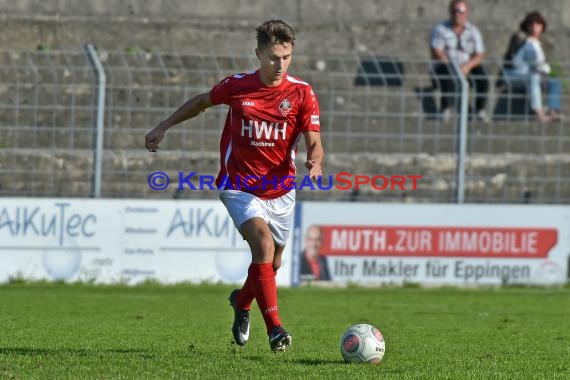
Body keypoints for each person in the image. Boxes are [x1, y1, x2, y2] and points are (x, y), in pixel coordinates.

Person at [144, 19, 324, 353]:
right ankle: (276, 330)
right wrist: (164, 126)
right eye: (273, 57)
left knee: (272, 264)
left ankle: (242, 303)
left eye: (286, 57)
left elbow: (314, 140)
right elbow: (201, 102)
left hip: (281, 190)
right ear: (258, 54)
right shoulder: (239, 86)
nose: (280, 64)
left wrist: (316, 160)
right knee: (263, 246)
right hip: (239, 185)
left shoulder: (301, 93)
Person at [430, 0, 489, 122]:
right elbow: (436, 51)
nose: (458, 14)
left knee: (483, 78)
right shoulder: (440, 29)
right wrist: (453, 66)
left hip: (467, 65)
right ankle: (445, 108)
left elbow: (480, 54)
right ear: (450, 12)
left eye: (461, 11)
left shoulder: (473, 31)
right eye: (455, 11)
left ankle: (480, 110)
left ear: (467, 13)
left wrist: (467, 66)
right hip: (446, 64)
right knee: (446, 75)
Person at [503, 11, 563, 123]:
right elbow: (520, 60)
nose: (534, 27)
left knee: (554, 82)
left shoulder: (544, 43)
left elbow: (544, 64)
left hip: (538, 75)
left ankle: (553, 110)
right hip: (517, 74)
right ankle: (539, 113)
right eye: (531, 24)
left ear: (542, 26)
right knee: (534, 77)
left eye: (537, 24)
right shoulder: (520, 39)